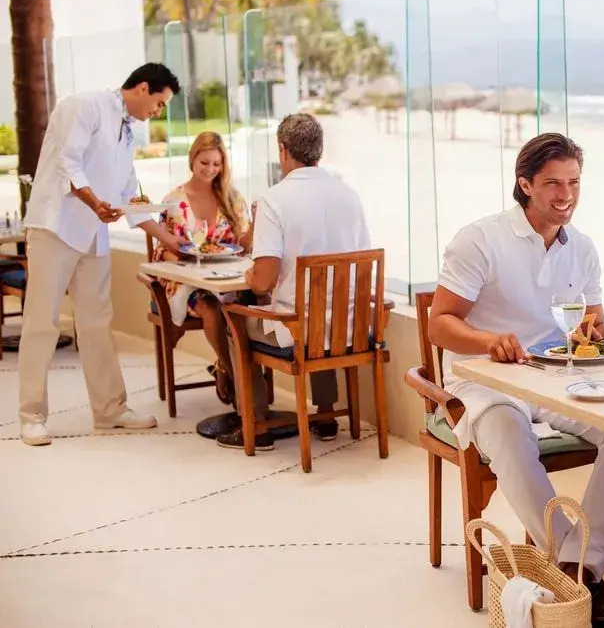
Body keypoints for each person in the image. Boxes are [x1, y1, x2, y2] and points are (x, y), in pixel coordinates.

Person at [428, 132, 604, 623]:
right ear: (525, 184)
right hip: (485, 380)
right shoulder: (480, 239)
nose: (566, 195)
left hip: (553, 376)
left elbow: (589, 327)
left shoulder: (583, 248)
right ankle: (574, 566)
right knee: (511, 438)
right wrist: (488, 340)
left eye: (574, 182)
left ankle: (580, 567)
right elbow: (439, 323)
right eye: (553, 183)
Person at [19, 63, 183, 446]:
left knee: (96, 322)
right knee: (41, 323)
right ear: (142, 88)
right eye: (159, 103)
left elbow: (128, 196)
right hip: (55, 227)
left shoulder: (128, 132)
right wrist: (95, 203)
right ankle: (31, 416)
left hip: (94, 236)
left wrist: (172, 240)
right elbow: (67, 162)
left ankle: (110, 410)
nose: (158, 112)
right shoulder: (85, 106)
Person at [216, 113, 371, 451]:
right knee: (320, 308)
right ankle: (326, 415)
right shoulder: (349, 196)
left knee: (234, 320)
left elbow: (262, 283)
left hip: (298, 330)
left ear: (283, 150)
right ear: (319, 150)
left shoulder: (274, 199)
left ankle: (256, 425)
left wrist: (251, 276)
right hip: (350, 327)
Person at [153, 131, 252, 404]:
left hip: (225, 277)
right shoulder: (174, 201)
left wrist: (256, 228)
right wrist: (186, 260)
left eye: (217, 164)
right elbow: (161, 251)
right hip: (185, 281)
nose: (210, 169)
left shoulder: (233, 199)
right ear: (192, 159)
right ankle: (238, 380)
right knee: (210, 307)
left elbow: (243, 245)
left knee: (252, 304)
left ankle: (228, 370)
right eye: (204, 162)